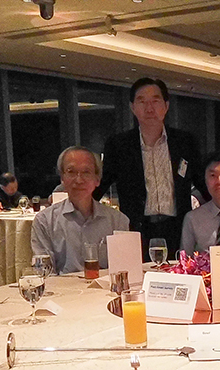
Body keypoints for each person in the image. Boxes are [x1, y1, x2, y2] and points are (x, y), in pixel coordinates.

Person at [99, 78, 205, 258]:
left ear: (166, 106)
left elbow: (201, 182)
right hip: (136, 230)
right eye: (142, 101)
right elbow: (102, 183)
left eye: (155, 101)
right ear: (132, 107)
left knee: (178, 273)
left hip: (178, 229)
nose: (149, 108)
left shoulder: (185, 142)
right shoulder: (119, 145)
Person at [32, 146, 129, 274]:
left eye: (86, 172)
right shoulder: (44, 221)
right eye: (71, 172)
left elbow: (124, 272)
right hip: (63, 287)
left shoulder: (118, 221)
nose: (79, 180)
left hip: (105, 287)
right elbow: (45, 274)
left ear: (97, 179)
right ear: (62, 178)